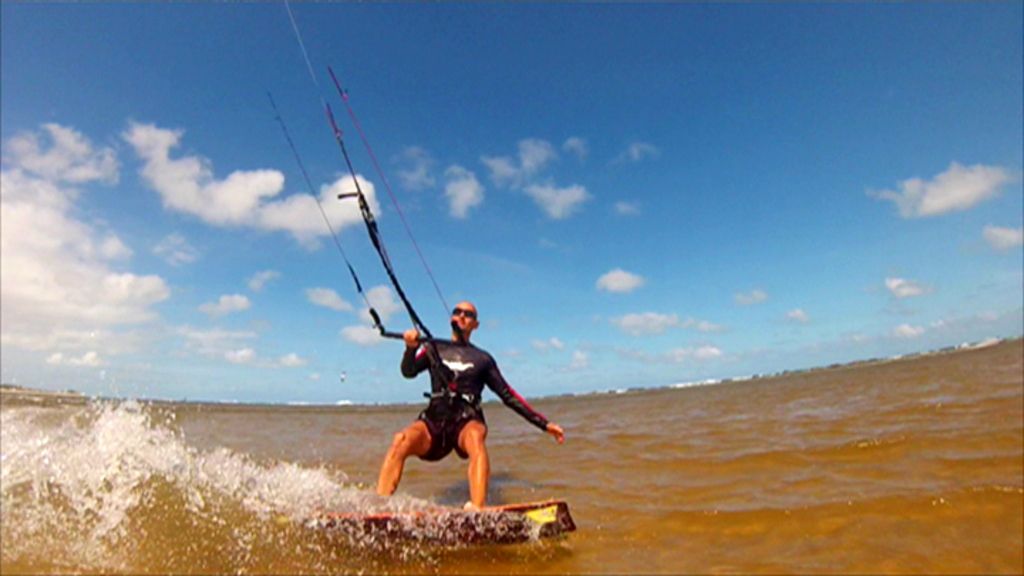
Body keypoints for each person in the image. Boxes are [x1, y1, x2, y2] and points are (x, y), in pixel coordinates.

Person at [375, 301, 565, 510]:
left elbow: (508, 395)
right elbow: (408, 371)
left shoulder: (482, 359)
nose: (462, 316)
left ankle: (477, 509)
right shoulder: (433, 348)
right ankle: (379, 508)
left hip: (466, 421)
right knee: (401, 439)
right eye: (457, 312)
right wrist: (410, 349)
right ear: (452, 319)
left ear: (476, 324)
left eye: (469, 314)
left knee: (476, 439)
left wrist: (544, 424)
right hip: (434, 422)